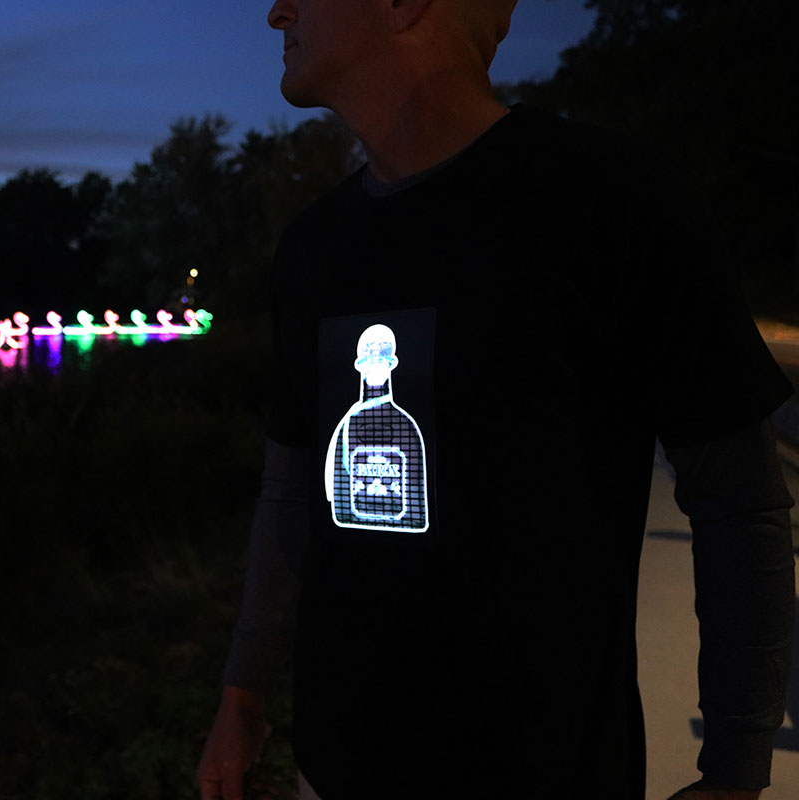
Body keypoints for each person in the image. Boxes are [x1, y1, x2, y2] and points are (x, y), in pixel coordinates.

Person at [197, 1, 796, 798]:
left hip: (546, 771)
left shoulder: (610, 199)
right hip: (337, 764)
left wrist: (734, 769)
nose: (277, 12)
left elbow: (741, 505)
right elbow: (290, 496)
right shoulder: (314, 246)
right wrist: (243, 696)